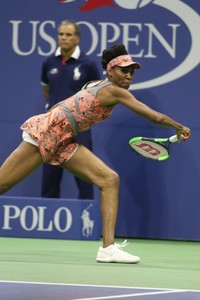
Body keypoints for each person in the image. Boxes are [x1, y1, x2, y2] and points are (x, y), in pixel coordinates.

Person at [0, 44, 190, 263]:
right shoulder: (113, 90)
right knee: (2, 184)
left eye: (131, 72)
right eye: (123, 70)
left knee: (109, 179)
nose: (128, 76)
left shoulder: (95, 83)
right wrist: (178, 126)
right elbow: (154, 117)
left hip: (64, 139)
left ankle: (108, 248)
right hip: (46, 133)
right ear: (110, 71)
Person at [40, 20, 101, 199]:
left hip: (78, 130)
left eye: (68, 35)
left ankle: (86, 224)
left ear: (77, 39)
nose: (63, 38)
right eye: (61, 34)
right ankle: (49, 223)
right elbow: (47, 91)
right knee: (49, 182)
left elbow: (97, 96)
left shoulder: (88, 64)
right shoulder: (48, 63)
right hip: (52, 130)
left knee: (85, 180)